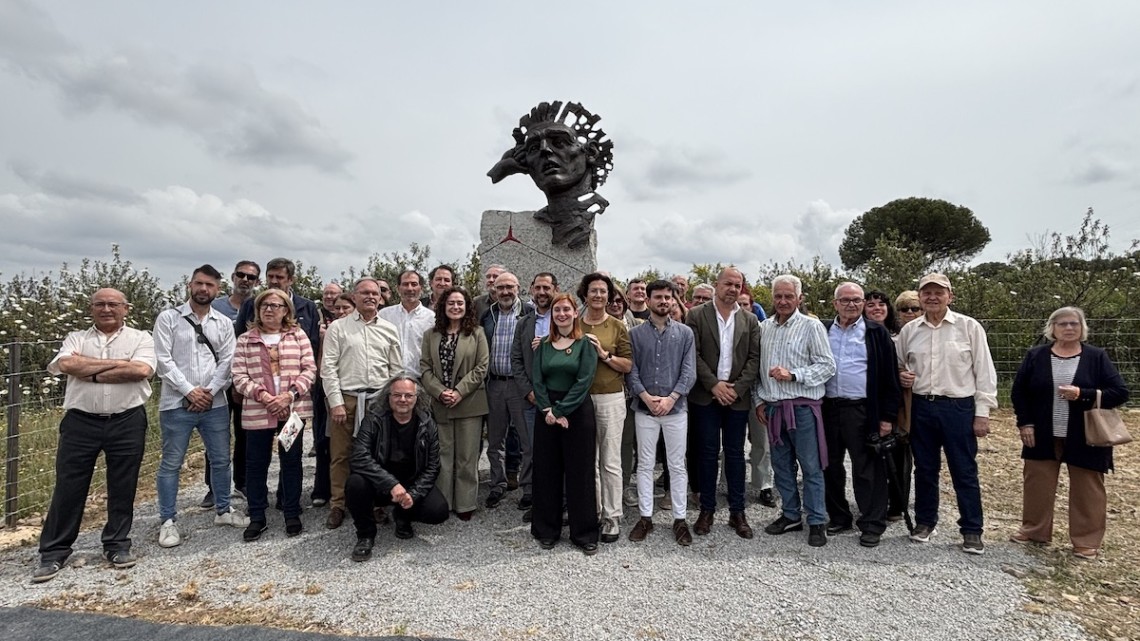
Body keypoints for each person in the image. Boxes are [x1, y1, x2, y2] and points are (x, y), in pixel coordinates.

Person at [33, 288, 156, 583]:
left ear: (126, 308)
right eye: (99, 304)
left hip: (126, 419)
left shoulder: (141, 338)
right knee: (69, 486)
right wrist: (120, 365)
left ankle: (117, 544)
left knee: (123, 484)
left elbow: (141, 370)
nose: (106, 309)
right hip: (80, 422)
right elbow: (66, 365)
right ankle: (54, 552)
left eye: (113, 304)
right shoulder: (76, 338)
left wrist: (89, 370)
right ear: (91, 309)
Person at [1010, 306, 1129, 560]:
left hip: (1086, 434)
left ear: (1082, 328)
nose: (1068, 328)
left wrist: (1082, 394)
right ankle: (1034, 530)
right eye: (1062, 323)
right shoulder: (1036, 356)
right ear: (1052, 328)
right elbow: (1019, 392)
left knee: (1088, 489)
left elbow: (1120, 392)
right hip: (1042, 433)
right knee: (1037, 484)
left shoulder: (1096, 357)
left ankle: (1086, 541)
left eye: (1074, 323)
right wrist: (1025, 423)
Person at [896, 273, 997, 554]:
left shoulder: (969, 327)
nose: (932, 297)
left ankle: (972, 530)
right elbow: (899, 363)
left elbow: (984, 371)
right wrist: (902, 375)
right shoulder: (910, 331)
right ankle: (925, 522)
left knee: (964, 470)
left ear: (950, 296)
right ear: (920, 297)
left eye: (938, 292)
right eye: (926, 292)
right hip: (921, 406)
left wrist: (983, 412)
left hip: (958, 408)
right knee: (925, 469)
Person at [153, 265, 246, 550]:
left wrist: (210, 392)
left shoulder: (223, 323)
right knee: (172, 463)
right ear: (190, 285)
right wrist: (190, 391)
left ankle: (223, 509)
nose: (204, 289)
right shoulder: (169, 318)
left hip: (215, 403)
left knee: (220, 459)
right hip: (175, 403)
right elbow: (163, 360)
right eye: (199, 283)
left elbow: (228, 361)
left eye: (210, 285)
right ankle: (168, 520)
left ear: (218, 289)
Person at [754, 275, 837, 547]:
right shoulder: (764, 328)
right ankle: (791, 514)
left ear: (799, 298)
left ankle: (816, 519)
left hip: (802, 408)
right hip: (774, 408)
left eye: (789, 296)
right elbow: (757, 370)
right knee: (781, 466)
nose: (783, 301)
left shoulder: (812, 326)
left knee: (811, 466)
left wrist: (794, 375)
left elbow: (827, 366)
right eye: (778, 296)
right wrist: (759, 401)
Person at [232, 289, 317, 541]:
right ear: (257, 310)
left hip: (291, 412)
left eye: (275, 305)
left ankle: (291, 511)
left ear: (286, 310)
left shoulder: (298, 335)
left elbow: (309, 369)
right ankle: (257, 515)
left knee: (291, 461)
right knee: (257, 464)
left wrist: (289, 395)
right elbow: (239, 375)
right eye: (264, 305)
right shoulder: (246, 340)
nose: (269, 309)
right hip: (259, 411)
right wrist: (265, 397)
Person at [820, 283, 900, 548]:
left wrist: (887, 417)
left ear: (863, 303)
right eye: (845, 300)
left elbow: (890, 378)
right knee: (829, 465)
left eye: (856, 300)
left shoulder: (876, 332)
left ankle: (872, 523)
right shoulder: (822, 330)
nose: (851, 304)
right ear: (835, 303)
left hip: (863, 410)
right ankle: (839, 516)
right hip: (828, 407)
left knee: (868, 468)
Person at [321, 278, 403, 530]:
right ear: (354, 297)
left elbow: (396, 370)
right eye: (364, 292)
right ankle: (338, 504)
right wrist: (335, 402)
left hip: (378, 401)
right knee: (341, 455)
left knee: (377, 454)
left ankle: (376, 502)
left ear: (381, 297)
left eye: (374, 293)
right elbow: (328, 368)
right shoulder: (338, 328)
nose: (370, 297)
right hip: (346, 400)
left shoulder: (389, 329)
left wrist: (391, 402)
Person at [685, 268, 760, 539]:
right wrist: (714, 385)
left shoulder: (750, 320)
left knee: (735, 454)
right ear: (716, 285)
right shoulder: (696, 315)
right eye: (728, 283)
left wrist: (736, 389)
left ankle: (737, 511)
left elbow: (754, 358)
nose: (733, 288)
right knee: (706, 454)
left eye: (738, 285)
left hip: (736, 399)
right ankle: (707, 509)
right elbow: (693, 354)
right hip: (706, 396)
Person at [346, 376, 449, 561]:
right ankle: (365, 535)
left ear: (417, 398)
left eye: (408, 395)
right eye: (397, 395)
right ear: (388, 397)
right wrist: (391, 484)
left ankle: (403, 515)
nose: (403, 400)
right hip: (380, 484)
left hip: (410, 483)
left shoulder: (427, 423)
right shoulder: (373, 419)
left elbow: (433, 467)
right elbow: (359, 457)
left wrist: (413, 495)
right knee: (355, 483)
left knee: (438, 511)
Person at [626, 280, 697, 546]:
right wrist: (645, 397)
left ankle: (680, 518)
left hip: (675, 409)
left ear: (674, 300)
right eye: (658, 297)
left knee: (676, 465)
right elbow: (631, 371)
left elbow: (689, 371)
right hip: (645, 409)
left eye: (668, 297)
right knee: (645, 464)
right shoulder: (635, 334)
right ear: (649, 300)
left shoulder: (685, 334)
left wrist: (671, 398)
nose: (664, 301)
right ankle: (645, 517)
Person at [531, 292, 600, 554]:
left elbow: (584, 381)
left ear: (575, 313)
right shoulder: (543, 345)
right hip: (546, 411)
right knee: (546, 470)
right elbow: (537, 380)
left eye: (566, 310)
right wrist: (548, 409)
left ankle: (584, 533)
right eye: (557, 310)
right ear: (552, 315)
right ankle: (547, 529)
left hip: (577, 411)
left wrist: (560, 410)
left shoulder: (585, 344)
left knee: (580, 471)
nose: (561, 314)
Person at [420, 287, 490, 521]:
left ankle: (465, 503)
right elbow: (425, 367)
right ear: (443, 306)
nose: (456, 307)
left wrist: (459, 391)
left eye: (460, 303)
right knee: (443, 455)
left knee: (467, 457)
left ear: (467, 306)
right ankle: (444, 502)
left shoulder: (477, 333)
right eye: (451, 303)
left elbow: (482, 367)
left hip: (469, 402)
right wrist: (440, 392)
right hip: (441, 403)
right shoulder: (431, 334)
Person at [577, 273, 633, 543]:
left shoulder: (617, 326)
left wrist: (604, 355)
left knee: (609, 461)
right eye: (593, 291)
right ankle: (593, 513)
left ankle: (612, 516)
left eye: (603, 291)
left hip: (610, 397)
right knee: (587, 461)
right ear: (585, 295)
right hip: (581, 399)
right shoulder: (574, 324)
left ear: (609, 296)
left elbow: (628, 365)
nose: (598, 295)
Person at [205, 259, 260, 509]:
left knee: (243, 433)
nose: (245, 280)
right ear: (233, 277)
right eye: (241, 275)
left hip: (244, 380)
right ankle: (213, 488)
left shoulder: (258, 305)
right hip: (216, 380)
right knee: (215, 434)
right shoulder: (215, 306)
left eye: (251, 277)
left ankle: (242, 482)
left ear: (257, 281)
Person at [480, 272, 529, 510]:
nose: (505, 292)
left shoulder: (529, 312)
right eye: (500, 288)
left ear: (518, 287)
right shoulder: (487, 315)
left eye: (510, 287)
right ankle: (497, 484)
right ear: (494, 290)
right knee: (495, 440)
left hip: (520, 385)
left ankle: (529, 488)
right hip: (495, 384)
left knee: (527, 440)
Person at [511, 272, 558, 519]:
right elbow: (516, 359)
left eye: (546, 288)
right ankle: (531, 492)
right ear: (531, 289)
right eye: (538, 288)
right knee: (531, 447)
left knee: (557, 450)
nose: (542, 292)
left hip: (558, 397)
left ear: (555, 289)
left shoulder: (563, 318)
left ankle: (557, 497)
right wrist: (527, 391)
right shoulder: (523, 323)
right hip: (531, 398)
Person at [378, 269, 436, 377]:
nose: (410, 288)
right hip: (389, 379)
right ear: (398, 288)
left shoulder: (432, 318)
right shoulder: (384, 315)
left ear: (421, 288)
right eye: (405, 284)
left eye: (414, 284)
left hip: (420, 379)